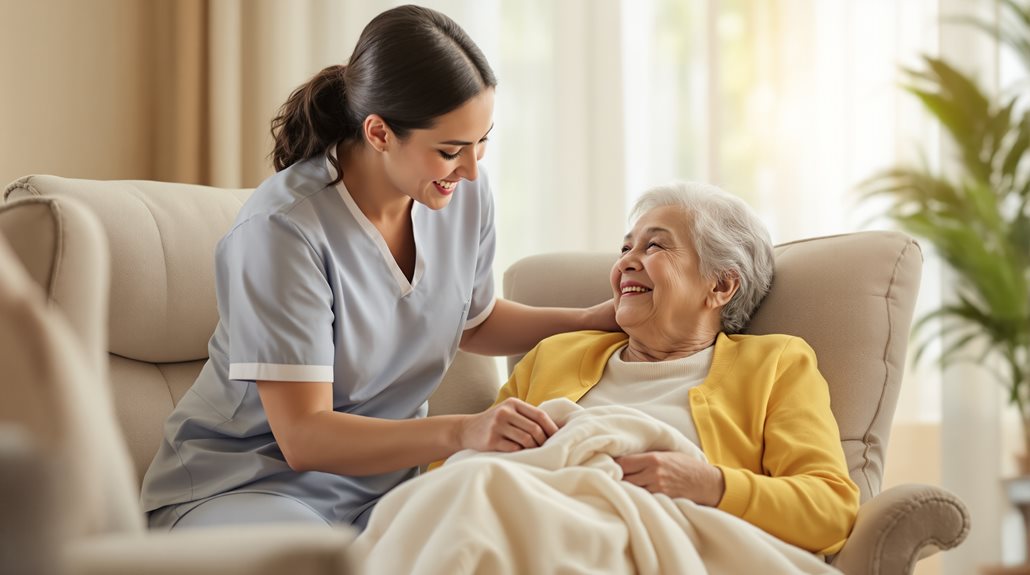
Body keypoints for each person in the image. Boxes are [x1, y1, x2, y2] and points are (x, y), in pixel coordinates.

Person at [140, 4, 616, 532]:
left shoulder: (461, 198)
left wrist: (592, 318)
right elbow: (304, 436)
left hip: (389, 480)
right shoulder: (282, 231)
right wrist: (463, 431)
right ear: (380, 132)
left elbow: (473, 322)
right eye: (451, 149)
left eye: (483, 143)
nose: (473, 171)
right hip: (244, 486)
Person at [483, 181, 861, 555]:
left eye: (655, 246)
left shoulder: (774, 364)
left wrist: (710, 485)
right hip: (521, 532)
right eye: (626, 247)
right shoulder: (554, 355)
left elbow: (831, 510)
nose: (626, 262)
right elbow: (465, 466)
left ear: (721, 285)